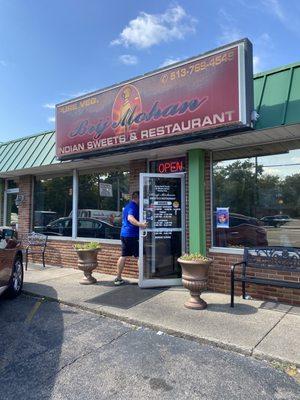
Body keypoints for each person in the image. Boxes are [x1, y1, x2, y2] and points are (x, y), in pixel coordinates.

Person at [114, 191, 147, 286]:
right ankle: (142, 279)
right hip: (132, 235)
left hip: (124, 234)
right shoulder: (133, 206)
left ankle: (118, 278)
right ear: (137, 198)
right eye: (141, 198)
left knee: (123, 256)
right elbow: (130, 218)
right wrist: (141, 224)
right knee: (141, 256)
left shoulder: (127, 206)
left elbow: (124, 219)